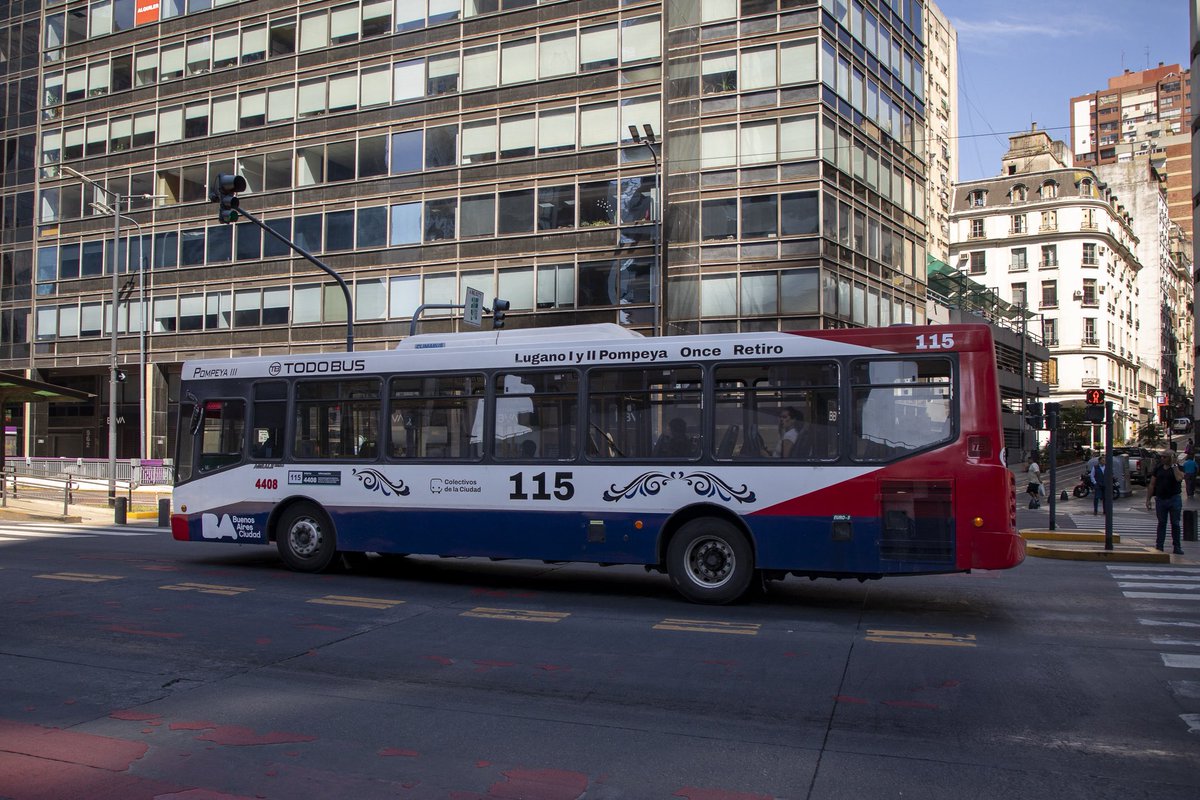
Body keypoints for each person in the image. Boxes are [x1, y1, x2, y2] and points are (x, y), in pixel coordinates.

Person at [1146, 450, 1185, 555]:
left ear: (1171, 458)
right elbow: (1152, 484)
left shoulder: (1178, 467)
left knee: (1175, 523)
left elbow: (1179, 478)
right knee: (1162, 523)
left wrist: (1174, 465)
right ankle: (1159, 545)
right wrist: (1148, 499)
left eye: (1165, 457)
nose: (1162, 459)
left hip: (1174, 498)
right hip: (1160, 499)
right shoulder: (1158, 468)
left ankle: (1177, 546)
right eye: (1161, 457)